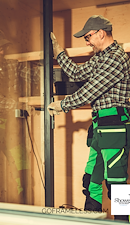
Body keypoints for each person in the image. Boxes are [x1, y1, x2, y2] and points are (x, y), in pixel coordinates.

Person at [48, 15, 130, 222]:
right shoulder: (101, 58)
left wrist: (62, 105)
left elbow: (89, 92)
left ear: (101, 33)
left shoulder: (117, 59)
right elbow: (76, 73)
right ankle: (91, 220)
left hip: (114, 128)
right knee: (91, 180)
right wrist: (59, 52)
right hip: (99, 128)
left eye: (88, 37)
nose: (86, 42)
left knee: (117, 184)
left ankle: (123, 221)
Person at [0, 29, 40, 202]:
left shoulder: (12, 65)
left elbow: (34, 75)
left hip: (11, 128)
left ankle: (23, 208)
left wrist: (50, 69)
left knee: (22, 170)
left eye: (3, 47)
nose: (1, 51)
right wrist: (16, 104)